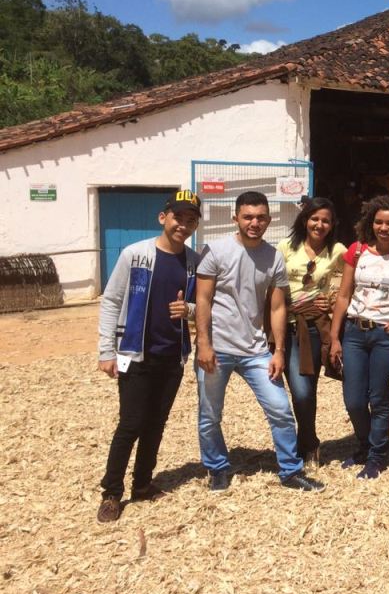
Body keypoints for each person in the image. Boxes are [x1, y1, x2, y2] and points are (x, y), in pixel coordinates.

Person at [195, 191, 325, 493]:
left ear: (269, 219)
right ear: (236, 218)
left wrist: (278, 351)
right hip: (217, 348)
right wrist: (204, 344)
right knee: (210, 414)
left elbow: (278, 307)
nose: (254, 223)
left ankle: (291, 471)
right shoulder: (215, 250)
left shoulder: (273, 256)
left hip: (255, 350)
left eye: (261, 217)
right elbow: (202, 299)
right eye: (248, 217)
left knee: (280, 409)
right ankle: (217, 468)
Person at [96, 190, 202, 522]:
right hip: (135, 353)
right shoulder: (135, 254)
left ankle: (142, 484)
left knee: (156, 423)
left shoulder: (194, 262)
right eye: (177, 217)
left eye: (190, 220)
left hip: (172, 356)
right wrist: (106, 351)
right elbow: (111, 300)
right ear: (163, 217)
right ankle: (112, 493)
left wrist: (189, 309)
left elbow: (204, 306)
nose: (183, 225)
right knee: (130, 424)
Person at [329, 195, 389, 478]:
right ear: (371, 222)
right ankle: (364, 444)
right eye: (379, 222)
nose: (384, 228)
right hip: (355, 332)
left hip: (385, 337)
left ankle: (376, 456)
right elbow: (344, 295)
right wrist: (335, 337)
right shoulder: (357, 252)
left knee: (379, 398)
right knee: (354, 400)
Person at [277, 197, 345, 468]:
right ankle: (305, 443)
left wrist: (332, 299)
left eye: (325, 220)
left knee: (306, 390)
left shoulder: (337, 250)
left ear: (333, 224)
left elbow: (352, 281)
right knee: (298, 390)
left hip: (315, 328)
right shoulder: (286, 247)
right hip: (285, 326)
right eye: (314, 219)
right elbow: (271, 286)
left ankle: (308, 443)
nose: (319, 224)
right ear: (305, 220)